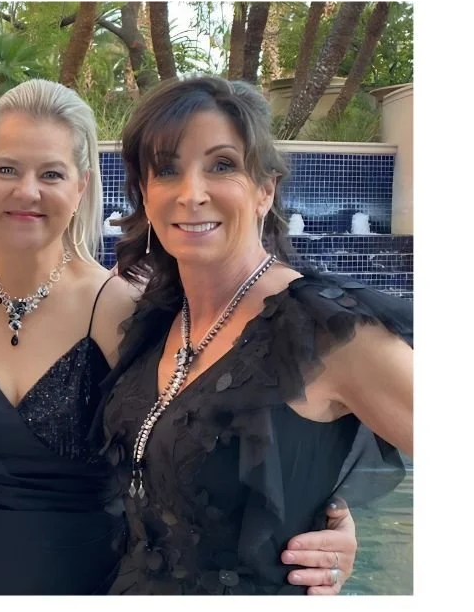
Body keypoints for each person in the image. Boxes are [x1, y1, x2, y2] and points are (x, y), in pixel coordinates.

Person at [0, 78, 369, 595]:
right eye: (7, 169)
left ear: (81, 185)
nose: (27, 191)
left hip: (93, 584)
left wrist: (322, 524)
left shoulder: (129, 313)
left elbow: (206, 442)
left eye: (51, 173)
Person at [99, 75, 412, 595]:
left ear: (265, 189)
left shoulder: (326, 331)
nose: (191, 193)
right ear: (146, 196)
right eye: (167, 169)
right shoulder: (155, 320)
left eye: (222, 166)